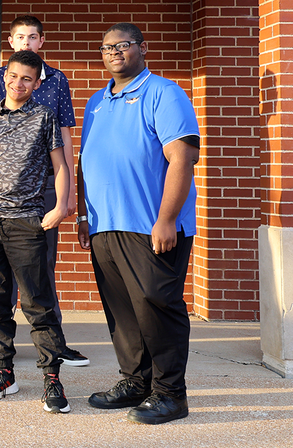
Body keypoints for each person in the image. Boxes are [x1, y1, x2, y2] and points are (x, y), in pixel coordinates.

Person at [78, 23, 200, 425]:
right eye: (107, 47)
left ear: (142, 48)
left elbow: (182, 159)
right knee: (123, 311)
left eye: (123, 45)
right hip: (105, 224)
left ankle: (170, 394)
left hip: (151, 226)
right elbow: (86, 161)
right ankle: (135, 381)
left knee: (157, 307)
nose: (115, 52)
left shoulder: (164, 93)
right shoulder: (97, 101)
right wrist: (83, 214)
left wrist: (166, 220)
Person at [0, 50, 73, 414]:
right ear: (3, 77)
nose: (18, 83)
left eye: (27, 79)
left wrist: (60, 207)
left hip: (26, 222)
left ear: (37, 84)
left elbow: (61, 166)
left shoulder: (44, 117)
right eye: (13, 76)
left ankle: (52, 378)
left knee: (37, 302)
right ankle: (3, 372)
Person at [0, 15, 86, 367]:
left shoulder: (57, 80)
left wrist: (69, 194)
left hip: (46, 188)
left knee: (42, 269)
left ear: (42, 41)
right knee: (0, 277)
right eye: (20, 37)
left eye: (32, 37)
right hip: (1, 196)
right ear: (11, 43)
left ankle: (54, 345)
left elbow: (66, 135)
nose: (26, 42)